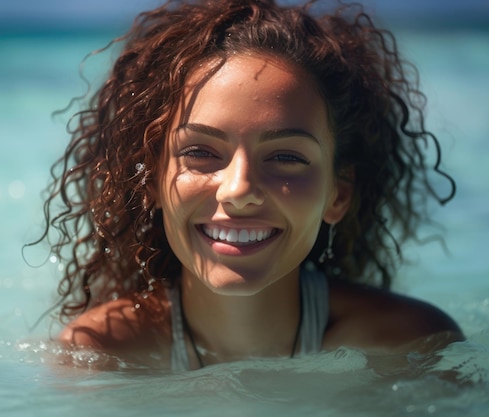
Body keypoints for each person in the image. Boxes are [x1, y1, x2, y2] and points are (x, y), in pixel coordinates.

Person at [35, 0, 464, 371]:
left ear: (339, 194)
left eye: (286, 157)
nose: (238, 190)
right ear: (151, 180)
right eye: (200, 152)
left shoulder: (411, 349)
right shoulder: (99, 358)